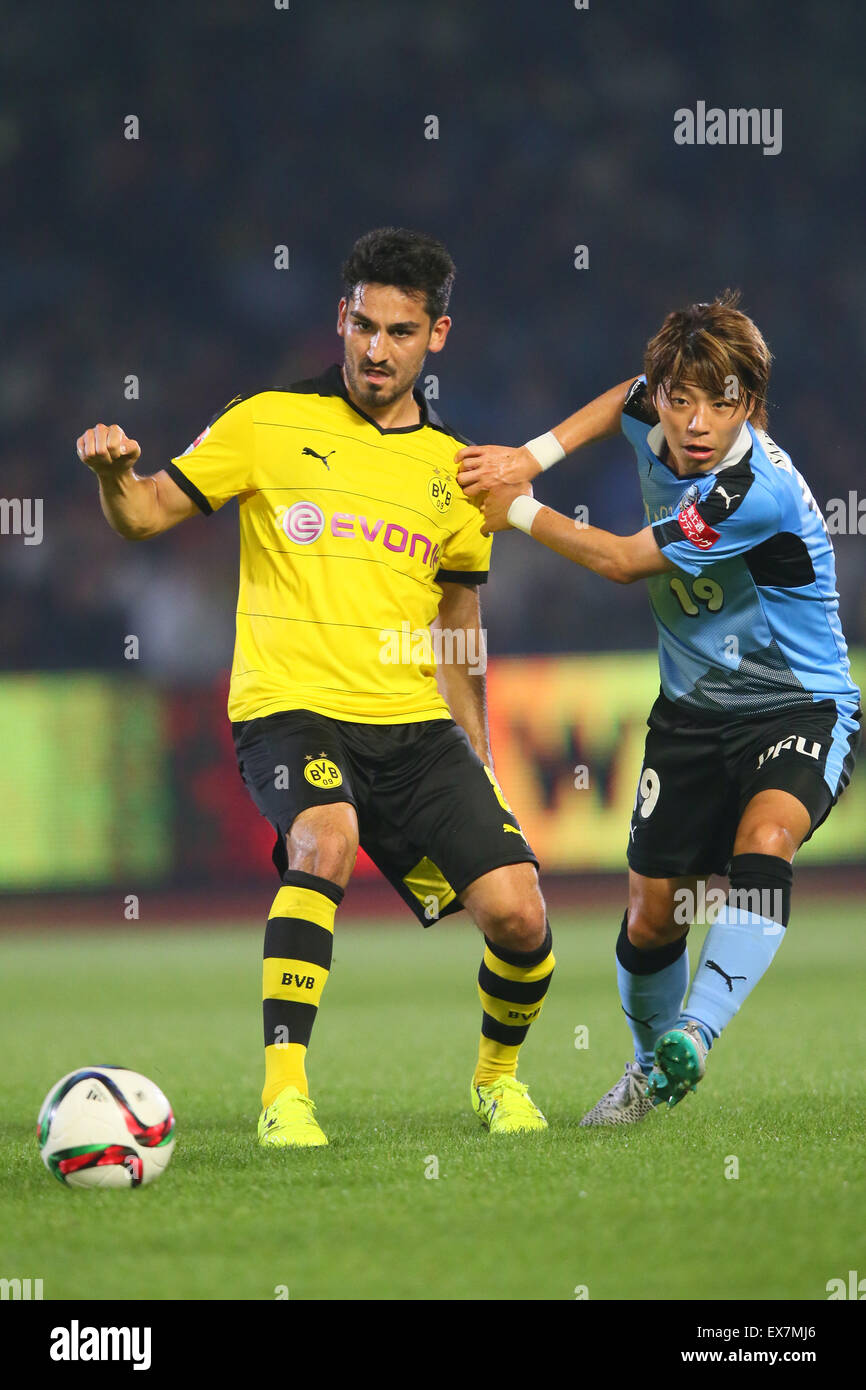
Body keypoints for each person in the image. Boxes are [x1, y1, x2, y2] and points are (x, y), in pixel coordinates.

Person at [76, 228, 554, 1146]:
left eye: (401, 332)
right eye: (364, 325)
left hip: (412, 727)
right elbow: (144, 514)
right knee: (324, 842)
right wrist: (113, 477)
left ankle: (497, 1080)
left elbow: (457, 624)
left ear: (437, 336)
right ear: (340, 317)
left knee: (519, 912)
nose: (377, 350)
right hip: (288, 709)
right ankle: (284, 1096)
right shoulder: (265, 420)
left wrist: (481, 755)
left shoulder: (456, 475)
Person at [457, 291, 860, 1123]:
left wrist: (519, 506)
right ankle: (650, 1071)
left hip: (799, 705)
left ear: (751, 403)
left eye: (724, 402)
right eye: (682, 399)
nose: (698, 421)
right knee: (651, 916)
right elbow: (622, 398)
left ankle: (697, 1036)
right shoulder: (653, 404)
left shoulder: (752, 489)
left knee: (767, 838)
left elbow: (622, 561)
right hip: (690, 714)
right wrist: (534, 454)